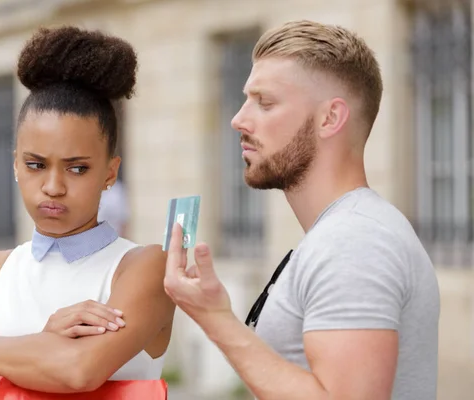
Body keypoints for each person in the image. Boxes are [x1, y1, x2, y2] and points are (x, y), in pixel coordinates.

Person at [164, 20, 439, 400]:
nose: (239, 119)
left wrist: (215, 319)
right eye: (246, 99)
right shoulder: (342, 233)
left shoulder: (355, 242)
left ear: (330, 118)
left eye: (265, 102)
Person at [0, 26, 175, 396]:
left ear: (110, 172)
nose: (53, 186)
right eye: (35, 164)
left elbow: (77, 371)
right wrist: (41, 342)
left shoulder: (143, 266)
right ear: (15, 165)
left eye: (77, 168)